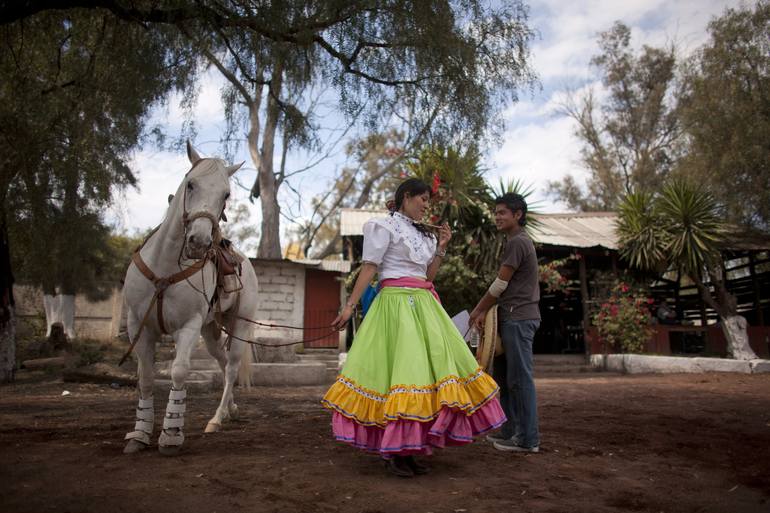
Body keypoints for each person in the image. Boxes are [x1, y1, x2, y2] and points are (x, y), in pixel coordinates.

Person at [321, 178, 506, 478]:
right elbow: (370, 268)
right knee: (401, 377)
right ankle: (395, 451)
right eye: (422, 199)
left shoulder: (426, 235)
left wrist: (442, 248)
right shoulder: (383, 226)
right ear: (406, 197)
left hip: (424, 306)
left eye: (427, 201)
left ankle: (411, 448)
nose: (426, 205)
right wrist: (349, 305)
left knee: (424, 378)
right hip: (394, 307)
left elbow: (427, 275)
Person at [469, 192, 541, 453]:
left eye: (502, 212)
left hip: (520, 318)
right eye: (496, 212)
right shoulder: (517, 241)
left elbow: (500, 284)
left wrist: (478, 310)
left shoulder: (517, 242)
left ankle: (528, 440)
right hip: (511, 317)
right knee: (506, 378)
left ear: (517, 215)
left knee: (520, 379)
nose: (497, 216)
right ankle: (510, 431)